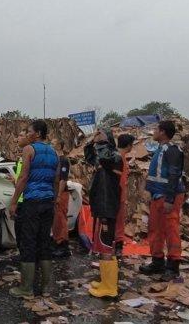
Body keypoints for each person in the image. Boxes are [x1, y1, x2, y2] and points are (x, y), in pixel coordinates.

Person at [8, 120, 59, 299]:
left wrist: (14, 201)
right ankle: (46, 288)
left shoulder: (29, 150)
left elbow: (23, 177)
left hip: (32, 202)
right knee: (44, 243)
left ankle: (26, 288)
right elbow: (56, 181)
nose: (27, 134)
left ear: (37, 133)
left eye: (29, 131)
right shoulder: (54, 153)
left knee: (28, 243)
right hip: (48, 202)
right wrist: (54, 200)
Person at [139, 120, 185, 281]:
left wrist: (170, 199)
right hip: (157, 195)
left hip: (168, 196)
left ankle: (173, 266)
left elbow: (174, 174)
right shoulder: (159, 149)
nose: (154, 132)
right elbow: (155, 174)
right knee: (155, 229)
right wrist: (148, 191)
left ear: (163, 132)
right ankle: (157, 261)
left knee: (171, 230)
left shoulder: (172, 150)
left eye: (156, 129)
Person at [84, 128, 123, 298]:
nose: (97, 134)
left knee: (106, 244)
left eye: (101, 133)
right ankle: (105, 281)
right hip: (101, 204)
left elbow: (104, 157)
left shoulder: (113, 155)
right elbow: (89, 157)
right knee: (101, 244)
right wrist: (92, 141)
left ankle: (110, 287)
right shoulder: (103, 156)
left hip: (107, 205)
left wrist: (102, 142)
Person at [114, 134, 135, 257]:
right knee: (119, 223)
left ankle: (113, 245)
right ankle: (118, 247)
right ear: (129, 145)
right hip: (118, 195)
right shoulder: (120, 159)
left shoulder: (118, 157)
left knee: (116, 223)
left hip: (117, 195)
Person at [50, 138, 72, 258]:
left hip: (61, 193)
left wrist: (58, 194)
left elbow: (63, 179)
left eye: (53, 143)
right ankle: (57, 242)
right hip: (55, 192)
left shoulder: (64, 160)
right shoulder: (55, 160)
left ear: (59, 145)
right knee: (56, 221)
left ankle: (63, 246)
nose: (51, 145)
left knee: (60, 219)